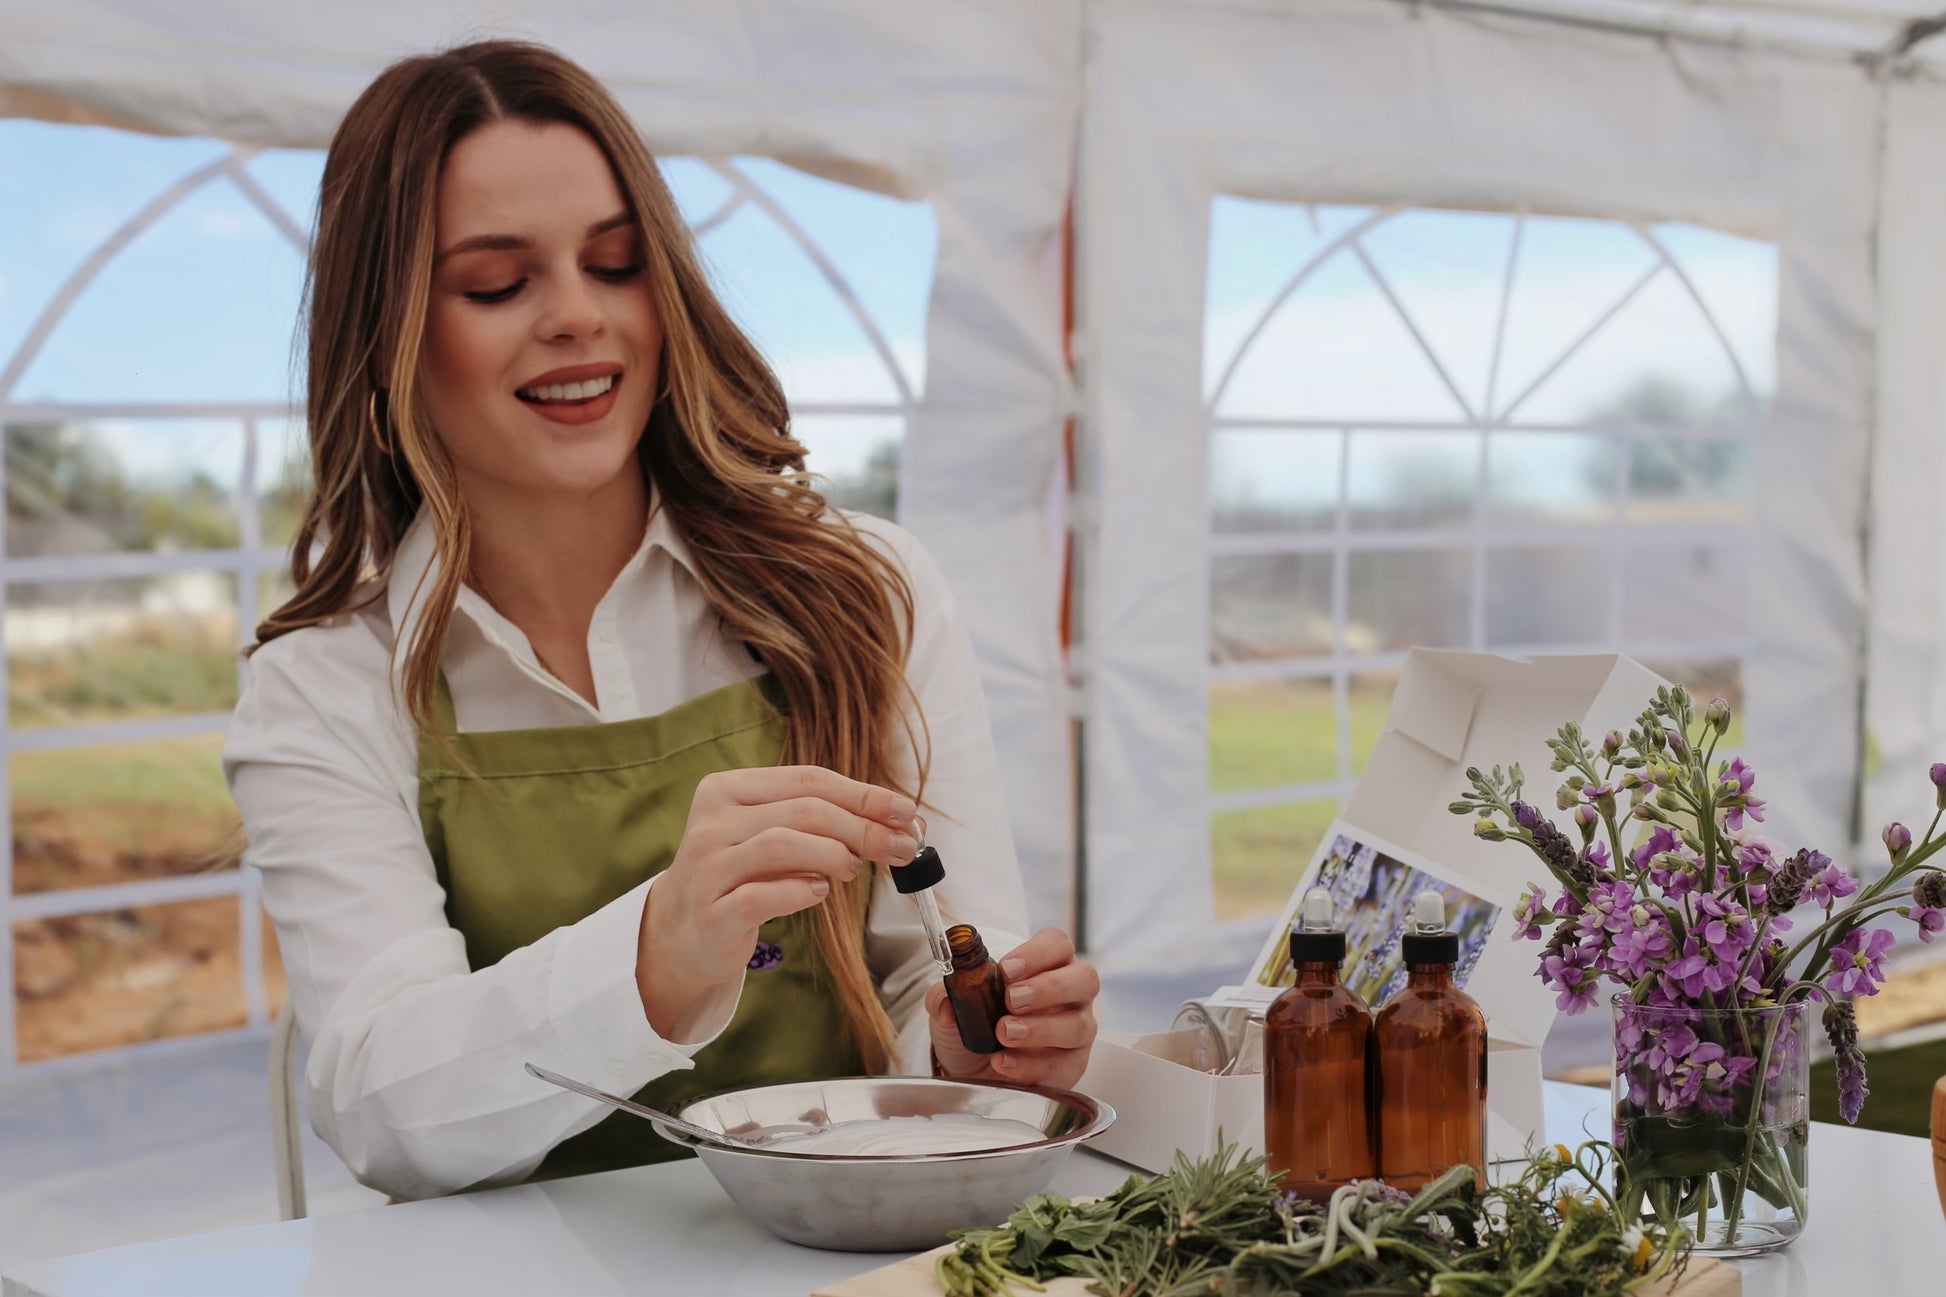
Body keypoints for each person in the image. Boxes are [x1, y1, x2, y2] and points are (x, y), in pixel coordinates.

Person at [223, 39, 1099, 1202]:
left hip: (845, 1256)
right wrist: (655, 953)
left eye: (616, 263)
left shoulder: (868, 591)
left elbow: (925, 978)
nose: (578, 315)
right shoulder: (325, 685)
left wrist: (965, 1059)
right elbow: (382, 1106)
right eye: (497, 283)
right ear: (388, 334)